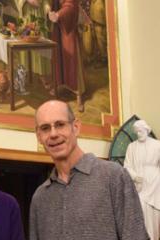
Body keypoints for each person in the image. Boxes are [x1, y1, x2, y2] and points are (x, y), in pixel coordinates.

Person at [30, 100, 149, 240]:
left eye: (60, 125)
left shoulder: (113, 176)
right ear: (39, 137)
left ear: (76, 127)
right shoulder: (40, 197)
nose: (53, 134)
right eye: (45, 128)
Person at [124, 120, 160, 240]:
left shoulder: (157, 145)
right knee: (140, 210)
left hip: (155, 185)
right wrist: (134, 176)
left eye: (141, 131)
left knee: (154, 215)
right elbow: (127, 166)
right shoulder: (131, 147)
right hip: (139, 185)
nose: (139, 134)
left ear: (147, 130)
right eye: (137, 132)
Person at [48, 0, 86, 112]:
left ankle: (78, 94)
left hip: (68, 29)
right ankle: (60, 84)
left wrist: (59, 14)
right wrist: (48, 8)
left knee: (72, 58)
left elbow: (71, 5)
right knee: (58, 56)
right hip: (58, 28)